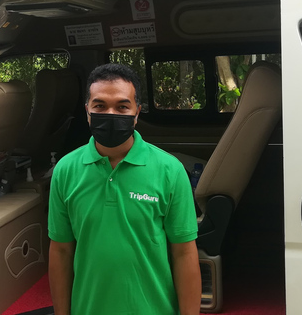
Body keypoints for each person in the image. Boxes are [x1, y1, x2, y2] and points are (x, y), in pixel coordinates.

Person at [48, 63, 201, 315]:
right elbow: (61, 250)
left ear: (137, 112)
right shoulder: (65, 170)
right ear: (87, 111)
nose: (110, 114)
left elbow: (184, 253)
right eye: (99, 106)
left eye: (122, 106)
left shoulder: (170, 170)